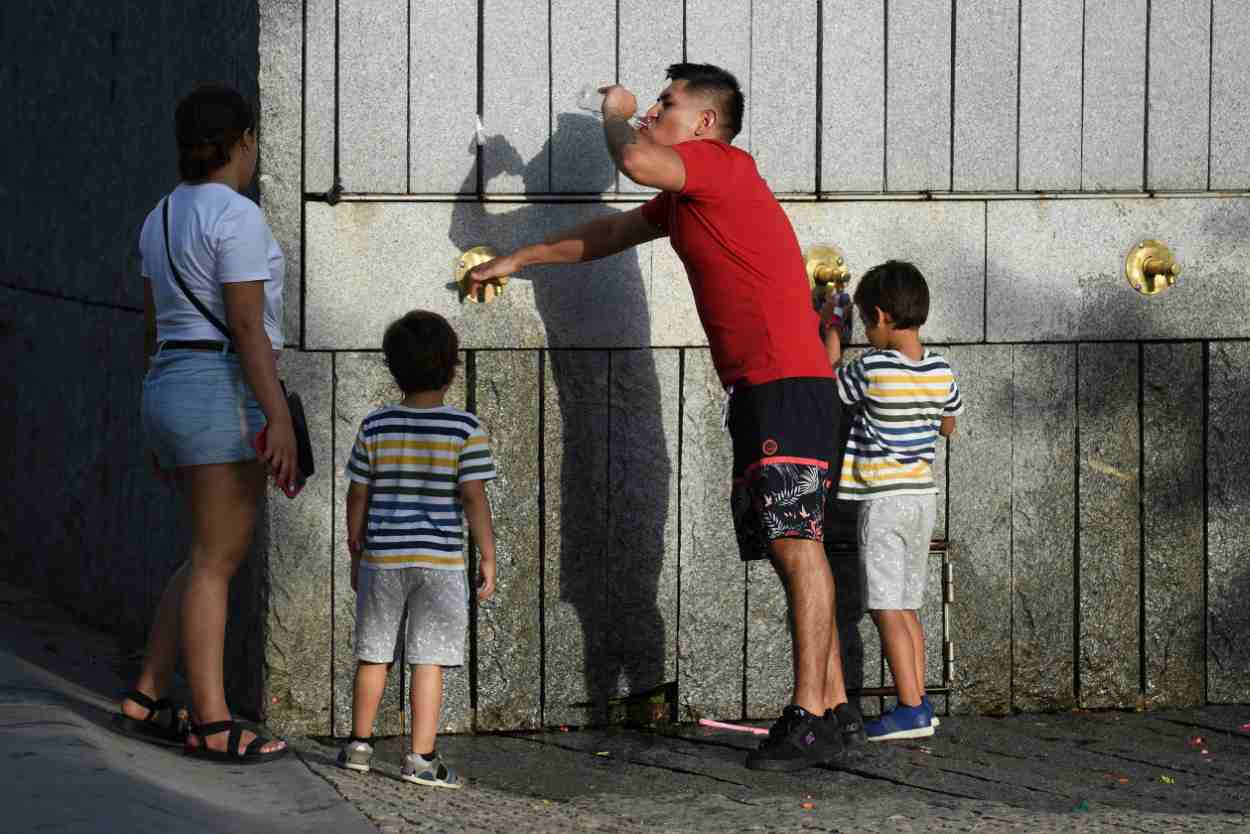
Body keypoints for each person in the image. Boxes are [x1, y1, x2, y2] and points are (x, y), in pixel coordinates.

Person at [465, 63, 858, 771]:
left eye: (665, 104)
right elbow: (604, 236)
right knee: (788, 542)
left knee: (795, 542)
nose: (649, 110)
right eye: (646, 103)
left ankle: (809, 713)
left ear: (704, 123)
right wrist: (515, 256)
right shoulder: (689, 199)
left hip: (785, 380)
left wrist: (615, 113)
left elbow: (636, 159)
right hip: (769, 385)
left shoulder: (720, 165)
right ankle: (828, 707)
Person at [116, 83, 294, 762]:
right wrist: (275, 414)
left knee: (202, 552)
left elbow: (152, 323)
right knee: (218, 561)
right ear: (243, 141)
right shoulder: (237, 217)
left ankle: (146, 693)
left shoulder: (158, 215)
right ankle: (212, 722)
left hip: (167, 385)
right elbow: (247, 326)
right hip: (219, 389)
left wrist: (157, 411)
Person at [337, 311, 498, 789]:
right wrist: (487, 554)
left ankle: (359, 747)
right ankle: (422, 759)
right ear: (452, 368)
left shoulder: (375, 426)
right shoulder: (465, 430)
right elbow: (474, 497)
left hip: (382, 558)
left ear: (392, 368)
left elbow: (357, 493)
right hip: (440, 563)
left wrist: (355, 546)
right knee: (428, 658)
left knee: (373, 654)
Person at [822, 260, 964, 741]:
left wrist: (832, 332)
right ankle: (919, 702)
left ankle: (908, 708)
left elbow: (829, 385)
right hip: (923, 496)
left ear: (880, 316)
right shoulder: (942, 369)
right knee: (906, 605)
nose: (866, 330)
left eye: (865, 321)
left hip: (883, 500)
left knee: (884, 606)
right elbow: (949, 425)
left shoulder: (873, 367)